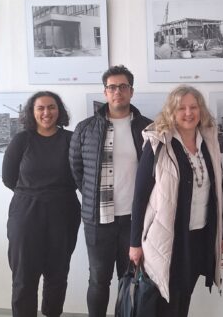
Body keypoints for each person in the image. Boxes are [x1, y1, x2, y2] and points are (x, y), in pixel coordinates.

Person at [129, 85, 223, 317]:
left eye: (193, 107)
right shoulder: (158, 144)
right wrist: (135, 243)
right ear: (171, 112)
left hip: (198, 236)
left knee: (184, 297)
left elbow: (219, 189)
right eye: (181, 108)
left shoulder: (208, 142)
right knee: (166, 301)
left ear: (200, 110)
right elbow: (140, 196)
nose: (188, 113)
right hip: (167, 238)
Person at [69, 65, 152, 317]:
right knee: (98, 280)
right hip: (98, 220)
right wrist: (93, 197)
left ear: (131, 91)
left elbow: (156, 173)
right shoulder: (85, 128)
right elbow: (76, 169)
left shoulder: (149, 128)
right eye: (112, 87)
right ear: (105, 93)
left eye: (123, 87)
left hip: (134, 220)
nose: (118, 92)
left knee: (129, 280)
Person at [3, 91, 81, 317]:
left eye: (52, 107)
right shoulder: (22, 140)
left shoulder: (71, 139)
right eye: (41, 108)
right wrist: (34, 194)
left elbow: (79, 175)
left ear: (59, 111)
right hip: (26, 214)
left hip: (64, 213)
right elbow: (8, 178)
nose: (47, 112)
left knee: (57, 276)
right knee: (24, 278)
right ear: (32, 112)